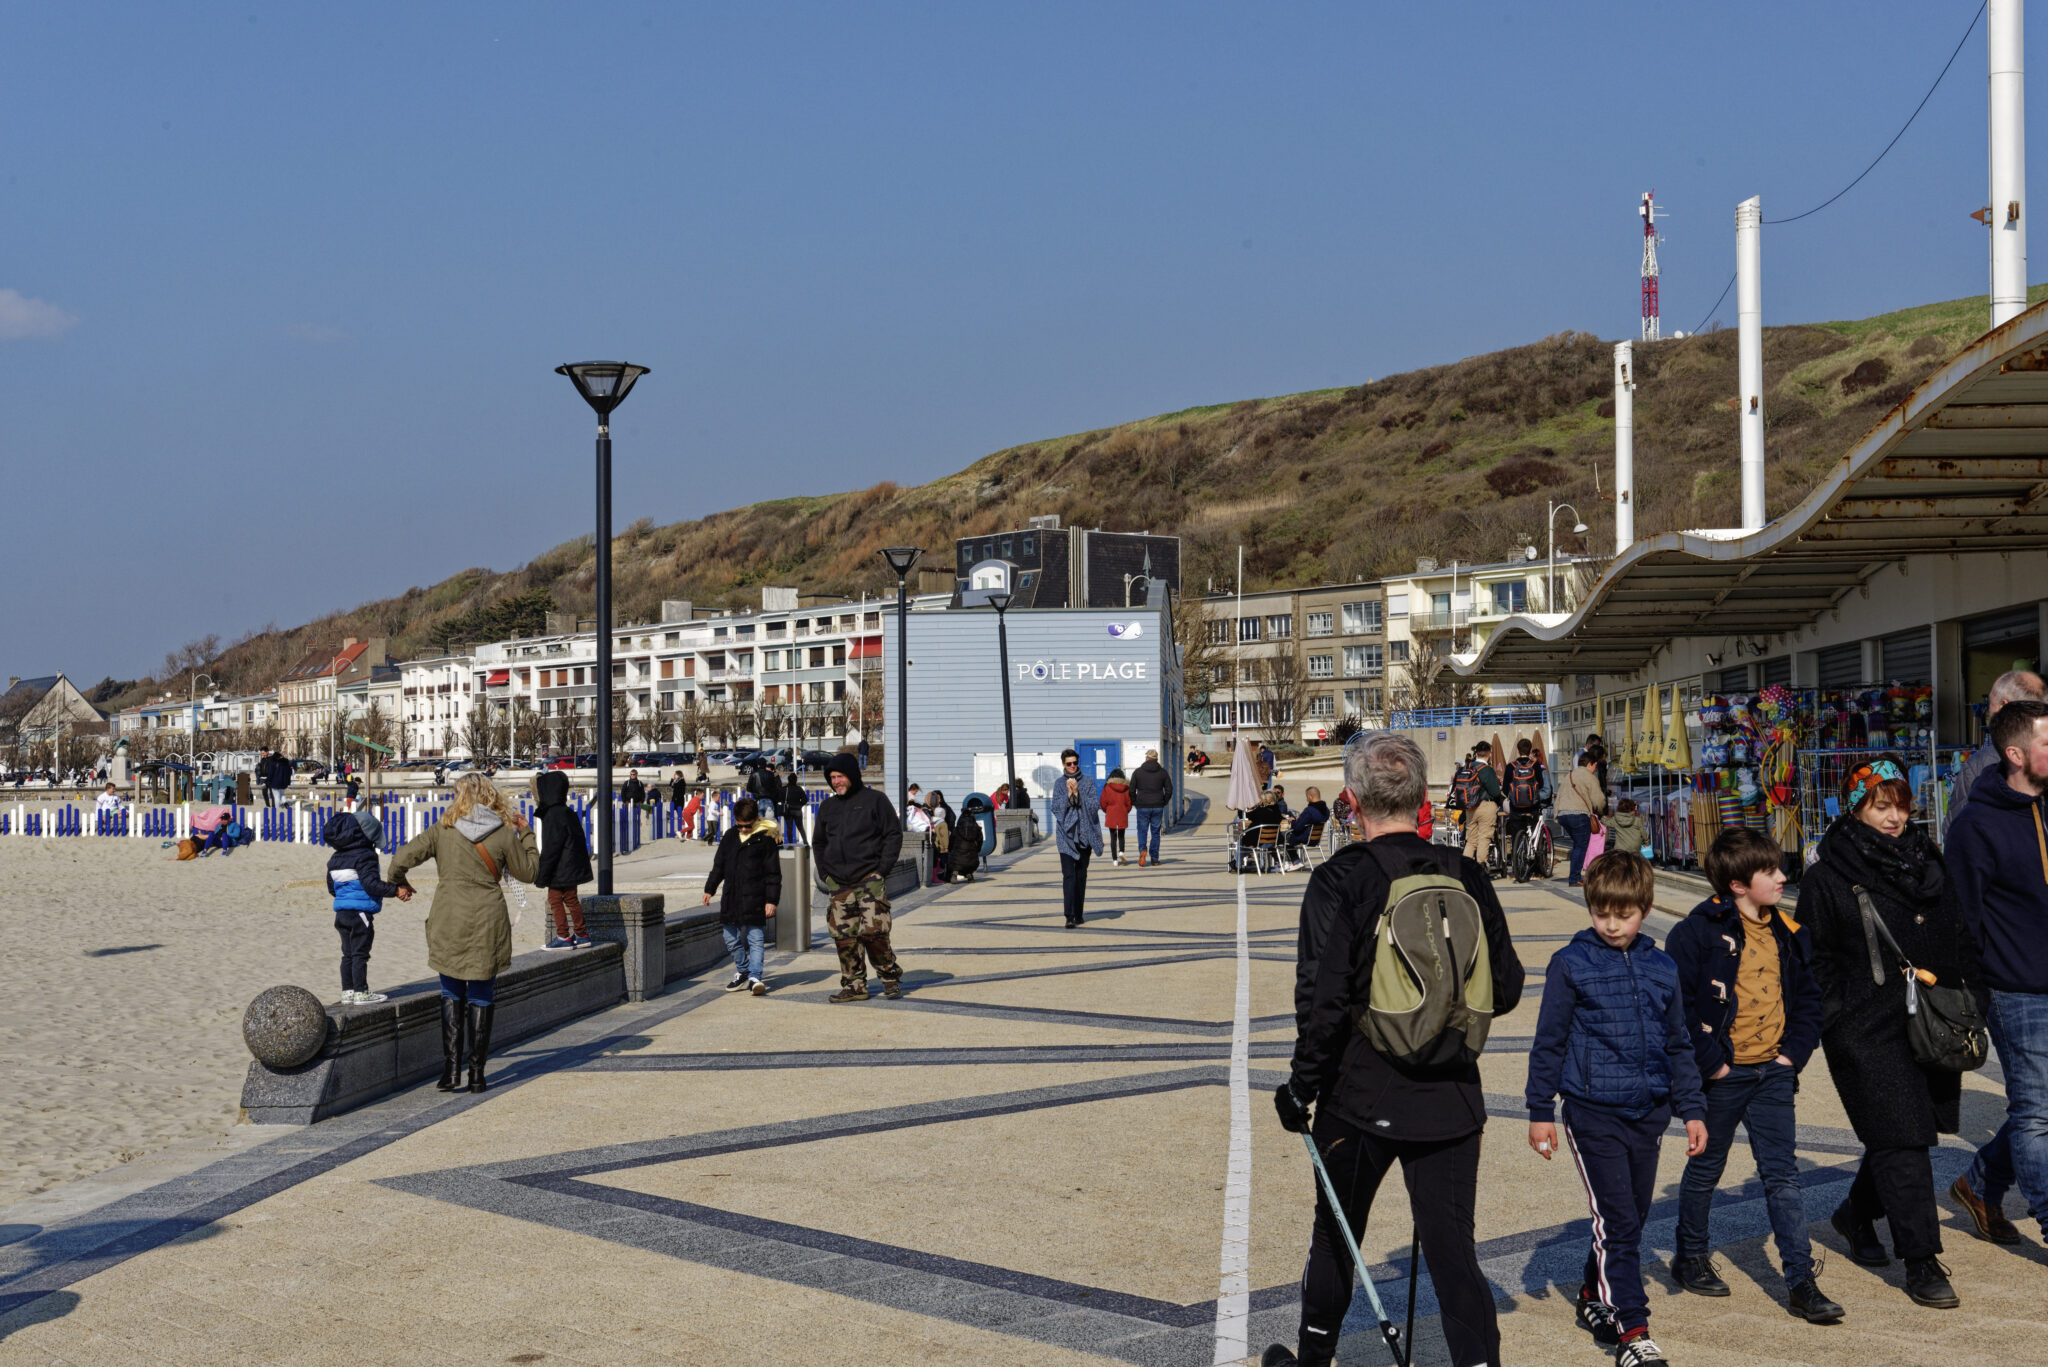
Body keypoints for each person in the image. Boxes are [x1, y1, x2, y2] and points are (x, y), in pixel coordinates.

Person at [1268, 732, 1525, 1367]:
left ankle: (1312, 1362)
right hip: (1453, 1096)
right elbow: (1509, 987)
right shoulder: (1465, 871)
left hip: (1360, 1094)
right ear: (1424, 799)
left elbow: (1321, 1003)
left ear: (1352, 802)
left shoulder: (1339, 879)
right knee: (1453, 1254)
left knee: (1335, 1239)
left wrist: (1301, 1088)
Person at [1802, 757, 1975, 1309]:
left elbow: (1961, 931)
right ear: (1857, 807)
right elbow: (1813, 958)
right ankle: (1922, 1260)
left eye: (1901, 804)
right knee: (1904, 1136)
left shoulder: (1929, 860)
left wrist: (1971, 997)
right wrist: (1839, 1016)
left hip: (1932, 1020)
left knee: (1907, 1129)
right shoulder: (1828, 874)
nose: (1896, 817)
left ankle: (1855, 1214)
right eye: (1882, 805)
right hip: (1864, 1027)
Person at [1526, 851, 1707, 1367]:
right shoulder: (1571, 963)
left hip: (1646, 1113)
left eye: (1622, 914)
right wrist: (1541, 1109)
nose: (1610, 924)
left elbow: (1678, 1045)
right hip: (1590, 1112)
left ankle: (1591, 1295)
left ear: (1645, 909)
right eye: (1601, 912)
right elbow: (1549, 1041)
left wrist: (1692, 1109)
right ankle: (1633, 1330)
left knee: (1630, 1216)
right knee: (1619, 1221)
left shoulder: (1661, 965)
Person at [1665, 828, 1839, 1321]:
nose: (1783, 877)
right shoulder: (1696, 932)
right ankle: (1691, 1255)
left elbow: (1809, 999)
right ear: (1738, 884)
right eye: (1770, 871)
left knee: (1783, 1175)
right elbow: (1675, 1007)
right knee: (1706, 1169)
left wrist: (1792, 1056)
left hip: (1774, 1072)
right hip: (1723, 1074)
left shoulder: (1789, 930)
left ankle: (1800, 1280)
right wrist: (1712, 1063)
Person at [1946, 698, 2048, 1252]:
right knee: (2036, 1114)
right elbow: (1964, 920)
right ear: (2015, 754)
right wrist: (1980, 991)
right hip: (2016, 991)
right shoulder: (1975, 826)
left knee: (2044, 1109)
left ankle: (1980, 1184)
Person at [389, 773, 538, 1092]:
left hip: (449, 916)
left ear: (459, 797)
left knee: (451, 991)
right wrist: (526, 833)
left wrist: (399, 881)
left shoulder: (443, 829)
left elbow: (401, 858)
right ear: (489, 795)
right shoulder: (502, 833)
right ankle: (478, 1075)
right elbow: (529, 873)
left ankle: (451, 1072)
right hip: (487, 918)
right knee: (482, 993)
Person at [812, 754, 905, 1002]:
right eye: (832, 778)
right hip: (839, 883)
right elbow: (819, 843)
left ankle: (889, 976)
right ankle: (854, 985)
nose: (836, 782)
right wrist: (825, 874)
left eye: (840, 776)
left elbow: (893, 835)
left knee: (874, 933)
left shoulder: (875, 800)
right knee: (844, 938)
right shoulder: (827, 807)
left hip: (869, 878)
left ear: (852, 775)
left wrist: (882, 869)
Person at [1942, 668, 2045, 839]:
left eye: (1991, 704)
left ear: (2004, 705)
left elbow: (1955, 831)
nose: (1989, 711)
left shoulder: (1979, 764)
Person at [326, 809, 408, 1006]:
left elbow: (332, 887)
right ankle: (361, 991)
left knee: (347, 954)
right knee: (360, 953)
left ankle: (348, 991)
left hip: (341, 913)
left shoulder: (335, 858)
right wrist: (396, 890)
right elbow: (371, 884)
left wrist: (346, 898)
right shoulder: (366, 856)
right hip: (360, 912)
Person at [704, 794, 780, 996]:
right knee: (730, 937)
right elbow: (719, 865)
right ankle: (743, 969)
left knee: (755, 938)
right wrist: (709, 889)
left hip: (756, 896)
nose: (744, 829)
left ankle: (755, 976)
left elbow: (773, 873)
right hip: (732, 896)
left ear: (756, 819)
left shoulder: (767, 839)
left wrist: (771, 900)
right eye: (740, 825)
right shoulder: (729, 836)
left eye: (747, 825)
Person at [531, 769, 593, 951]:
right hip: (572, 864)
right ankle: (581, 934)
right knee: (571, 898)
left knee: (555, 899)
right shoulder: (567, 812)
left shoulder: (553, 815)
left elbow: (551, 848)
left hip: (561, 866)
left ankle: (564, 936)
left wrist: (542, 875)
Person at [1050, 749, 1102, 926]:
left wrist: (1078, 794)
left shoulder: (1088, 781)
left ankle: (1079, 913)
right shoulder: (1058, 783)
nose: (1072, 766)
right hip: (1066, 836)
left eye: (1074, 763)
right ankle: (1069, 916)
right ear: (1063, 764)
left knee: (1081, 876)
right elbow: (1056, 808)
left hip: (1084, 835)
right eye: (1068, 764)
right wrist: (1068, 794)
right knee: (1068, 876)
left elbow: (1095, 806)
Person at [1555, 748, 1608, 887]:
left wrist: (1556, 815)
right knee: (1580, 845)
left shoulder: (1569, 775)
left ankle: (1575, 874)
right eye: (1595, 766)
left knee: (1578, 844)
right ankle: (1575, 878)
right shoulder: (1589, 777)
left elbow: (1559, 796)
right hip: (1578, 814)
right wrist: (1602, 810)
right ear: (1590, 764)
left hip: (1562, 815)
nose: (1596, 769)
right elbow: (1599, 799)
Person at [1502, 738, 1549, 877]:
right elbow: (1540, 784)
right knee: (1534, 837)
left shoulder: (1511, 766)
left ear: (1517, 750)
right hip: (1532, 806)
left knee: (1516, 835)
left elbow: (1505, 788)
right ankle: (1534, 868)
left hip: (1516, 808)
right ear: (1529, 750)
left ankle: (1517, 867)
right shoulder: (1534, 765)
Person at [1456, 741, 1503, 867]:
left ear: (1476, 753)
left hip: (1470, 807)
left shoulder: (1467, 767)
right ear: (1489, 754)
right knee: (1484, 837)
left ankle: (1465, 867)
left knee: (1471, 840)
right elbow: (1495, 792)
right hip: (1486, 807)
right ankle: (1480, 865)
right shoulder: (1487, 770)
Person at [1128, 747, 1173, 866]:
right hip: (1158, 805)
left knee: (1142, 831)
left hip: (1142, 805)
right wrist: (1164, 801)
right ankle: (1155, 858)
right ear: (1156, 759)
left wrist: (1135, 802)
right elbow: (1169, 789)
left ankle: (1143, 850)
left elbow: (1131, 789)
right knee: (1156, 832)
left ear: (1147, 758)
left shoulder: (1138, 772)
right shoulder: (1163, 772)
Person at [1283, 785, 1330, 867]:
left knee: (1284, 837)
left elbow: (1297, 827)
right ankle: (1294, 861)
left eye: (1306, 797)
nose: (1306, 799)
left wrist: (1293, 821)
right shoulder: (1326, 810)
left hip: (1305, 837)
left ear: (1310, 797)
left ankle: (1295, 861)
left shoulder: (1309, 810)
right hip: (1316, 838)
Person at [1098, 767, 1133, 865]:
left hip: (1111, 814)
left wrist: (1107, 811)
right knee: (1121, 836)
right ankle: (1121, 852)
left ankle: (1115, 860)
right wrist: (1126, 811)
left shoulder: (1107, 787)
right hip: (1122, 814)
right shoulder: (1126, 788)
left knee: (1113, 837)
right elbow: (1129, 803)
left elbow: (1103, 802)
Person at [950, 796, 987, 883]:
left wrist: (951, 849)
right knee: (970, 862)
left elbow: (951, 840)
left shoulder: (957, 828)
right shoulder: (977, 828)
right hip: (972, 857)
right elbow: (980, 841)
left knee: (955, 861)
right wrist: (977, 850)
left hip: (957, 857)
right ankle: (970, 875)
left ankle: (954, 874)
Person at [925, 790, 955, 885]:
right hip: (941, 845)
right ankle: (939, 875)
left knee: (939, 859)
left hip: (935, 842)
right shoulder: (942, 823)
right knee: (941, 860)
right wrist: (946, 846)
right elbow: (945, 837)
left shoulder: (934, 817)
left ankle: (938, 875)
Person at [1605, 796, 1648, 860]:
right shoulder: (1637, 820)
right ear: (1631, 808)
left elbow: (1605, 822)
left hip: (1620, 849)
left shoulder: (1615, 819)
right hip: (1635, 848)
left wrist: (1599, 815)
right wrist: (1646, 843)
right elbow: (1644, 834)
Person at [781, 766, 809, 845]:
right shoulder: (799, 788)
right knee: (800, 827)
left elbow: (780, 798)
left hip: (788, 810)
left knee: (789, 828)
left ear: (788, 780)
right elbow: (805, 799)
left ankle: (790, 844)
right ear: (796, 780)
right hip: (797, 810)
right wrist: (800, 805)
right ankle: (805, 841)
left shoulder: (785, 789)